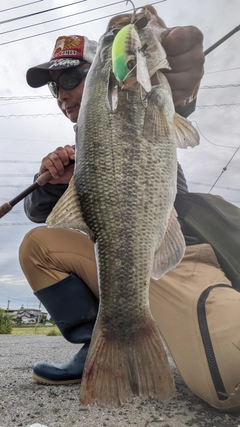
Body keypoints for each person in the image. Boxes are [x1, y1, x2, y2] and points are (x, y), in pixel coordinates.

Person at [19, 6, 240, 412]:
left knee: (234, 375)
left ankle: (175, 327)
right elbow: (39, 213)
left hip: (173, 261)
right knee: (37, 245)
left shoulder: (149, 99)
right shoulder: (80, 148)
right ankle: (99, 343)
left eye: (70, 77)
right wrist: (52, 182)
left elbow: (178, 95)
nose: (62, 93)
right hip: (115, 266)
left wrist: (178, 82)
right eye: (54, 87)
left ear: (107, 69)